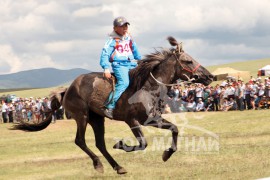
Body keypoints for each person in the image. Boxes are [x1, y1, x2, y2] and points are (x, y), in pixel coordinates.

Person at [100, 16, 142, 118]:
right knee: (124, 83)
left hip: (131, 64)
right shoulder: (112, 41)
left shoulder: (129, 39)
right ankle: (109, 106)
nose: (125, 28)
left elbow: (135, 50)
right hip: (119, 65)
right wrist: (106, 68)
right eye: (122, 26)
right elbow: (105, 54)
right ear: (115, 28)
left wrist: (141, 61)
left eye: (126, 25)